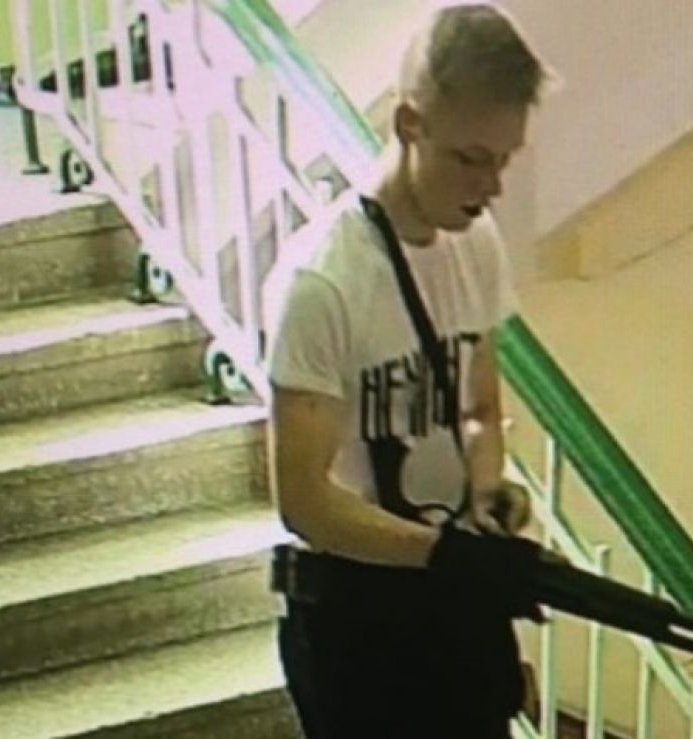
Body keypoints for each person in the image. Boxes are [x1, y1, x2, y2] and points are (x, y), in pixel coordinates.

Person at [264, 3, 556, 737]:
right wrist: (446, 555)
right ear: (408, 123)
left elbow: (479, 410)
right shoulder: (323, 283)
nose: (491, 185)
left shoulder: (476, 242)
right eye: (470, 158)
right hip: (354, 620)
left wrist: (486, 494)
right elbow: (304, 500)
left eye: (504, 160)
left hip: (449, 601)